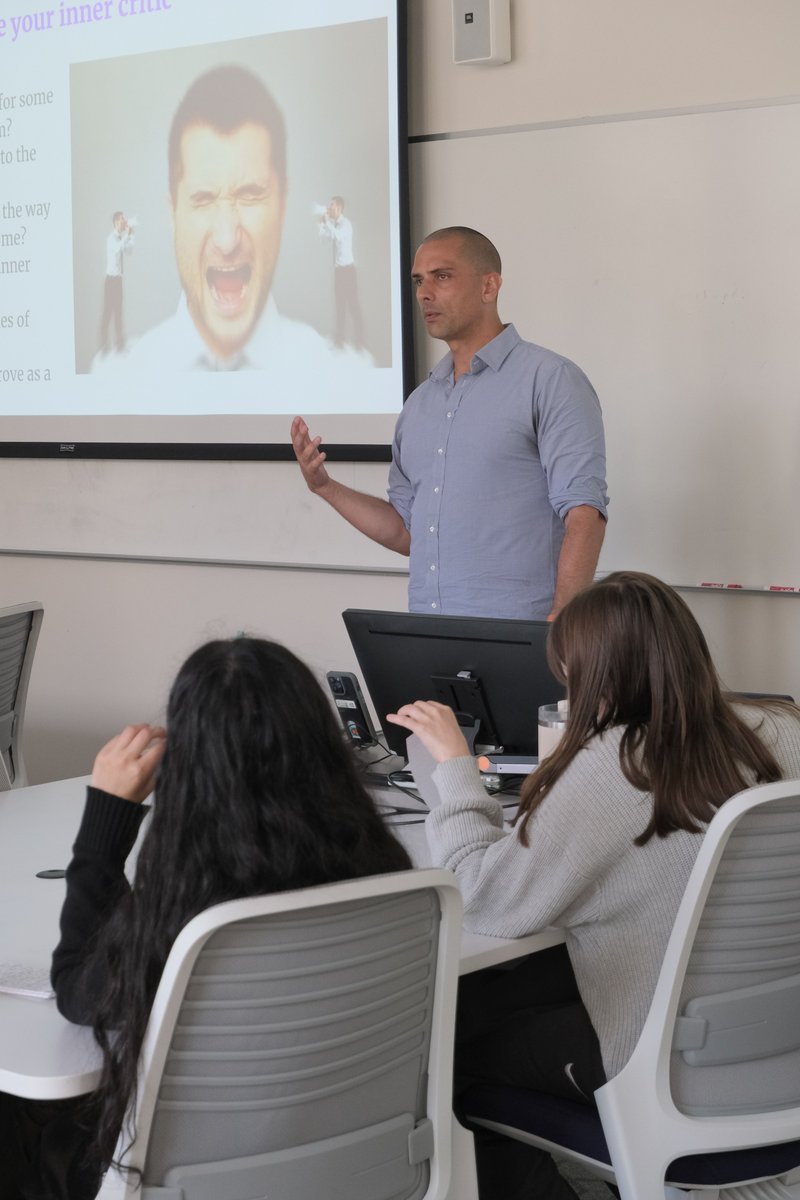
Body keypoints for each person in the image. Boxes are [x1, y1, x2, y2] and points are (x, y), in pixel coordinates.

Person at [386, 571, 800, 1200]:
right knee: (515, 990)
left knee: (448, 1049)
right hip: (778, 1046)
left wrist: (455, 770)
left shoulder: (615, 767)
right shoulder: (783, 730)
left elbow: (481, 895)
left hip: (664, 1073)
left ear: (598, 678)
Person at [0, 638, 410, 1199]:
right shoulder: (385, 871)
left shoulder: (197, 911)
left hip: (189, 1181)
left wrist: (106, 818)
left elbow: (78, 992)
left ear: (190, 764)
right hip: (356, 1163)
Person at [292, 225, 608, 620]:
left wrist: (564, 621)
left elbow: (585, 511)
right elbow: (407, 532)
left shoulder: (550, 380)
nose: (425, 293)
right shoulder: (419, 405)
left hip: (523, 639)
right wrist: (325, 488)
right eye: (419, 281)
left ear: (489, 286)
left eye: (442, 277)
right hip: (431, 639)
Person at [99, 65, 367, 372]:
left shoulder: (343, 372)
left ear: (282, 206)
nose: (227, 240)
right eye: (202, 199)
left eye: (250, 194)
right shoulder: (119, 373)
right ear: (172, 213)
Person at [318, 195, 364, 348]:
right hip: (339, 271)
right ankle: (340, 340)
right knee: (340, 306)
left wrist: (328, 224)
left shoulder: (346, 224)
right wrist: (322, 225)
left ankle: (359, 340)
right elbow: (324, 239)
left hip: (348, 270)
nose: (329, 208)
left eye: (331, 206)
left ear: (339, 207)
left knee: (353, 305)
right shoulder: (334, 224)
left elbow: (338, 237)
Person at [98, 210, 134, 355]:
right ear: (115, 222)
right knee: (108, 312)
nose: (124, 222)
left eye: (124, 220)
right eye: (121, 220)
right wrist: (127, 235)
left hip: (118, 280)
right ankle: (103, 344)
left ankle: (120, 344)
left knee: (118, 313)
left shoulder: (120, 238)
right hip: (110, 280)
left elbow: (129, 251)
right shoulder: (111, 239)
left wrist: (131, 235)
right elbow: (118, 248)